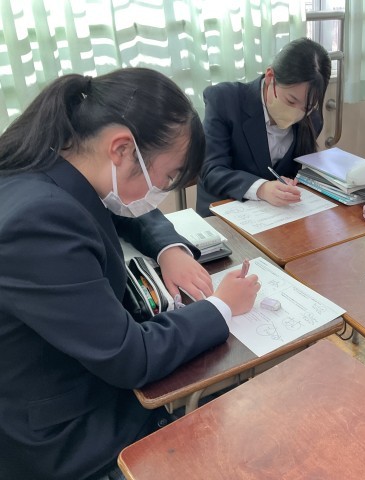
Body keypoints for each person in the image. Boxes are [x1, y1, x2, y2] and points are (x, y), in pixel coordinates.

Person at [0, 68, 261, 480]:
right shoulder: (40, 221)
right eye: (169, 177)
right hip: (66, 439)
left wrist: (170, 248)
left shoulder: (54, 163)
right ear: (122, 150)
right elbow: (130, 357)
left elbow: (125, 209)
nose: (163, 190)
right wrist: (221, 307)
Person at [195, 37, 331, 216]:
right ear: (270, 77)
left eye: (307, 107)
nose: (297, 112)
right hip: (224, 213)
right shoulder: (225, 100)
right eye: (291, 100)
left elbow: (295, 171)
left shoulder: (312, 119)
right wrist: (261, 188)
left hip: (278, 215)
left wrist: (290, 183)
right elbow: (211, 171)